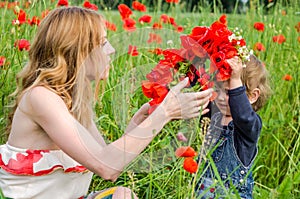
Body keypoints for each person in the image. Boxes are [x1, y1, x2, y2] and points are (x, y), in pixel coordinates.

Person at [0, 6, 213, 199]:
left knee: (123, 195)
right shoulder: (41, 98)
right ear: (76, 51)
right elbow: (106, 167)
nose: (111, 49)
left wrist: (139, 122)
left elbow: (110, 159)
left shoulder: (75, 101)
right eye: (102, 43)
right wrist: (164, 113)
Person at [195, 55, 271, 199]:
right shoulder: (213, 114)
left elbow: (242, 114)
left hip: (232, 195)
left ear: (252, 96)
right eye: (220, 89)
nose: (222, 98)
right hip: (201, 191)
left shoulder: (249, 125)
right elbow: (200, 90)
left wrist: (236, 79)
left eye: (230, 92)